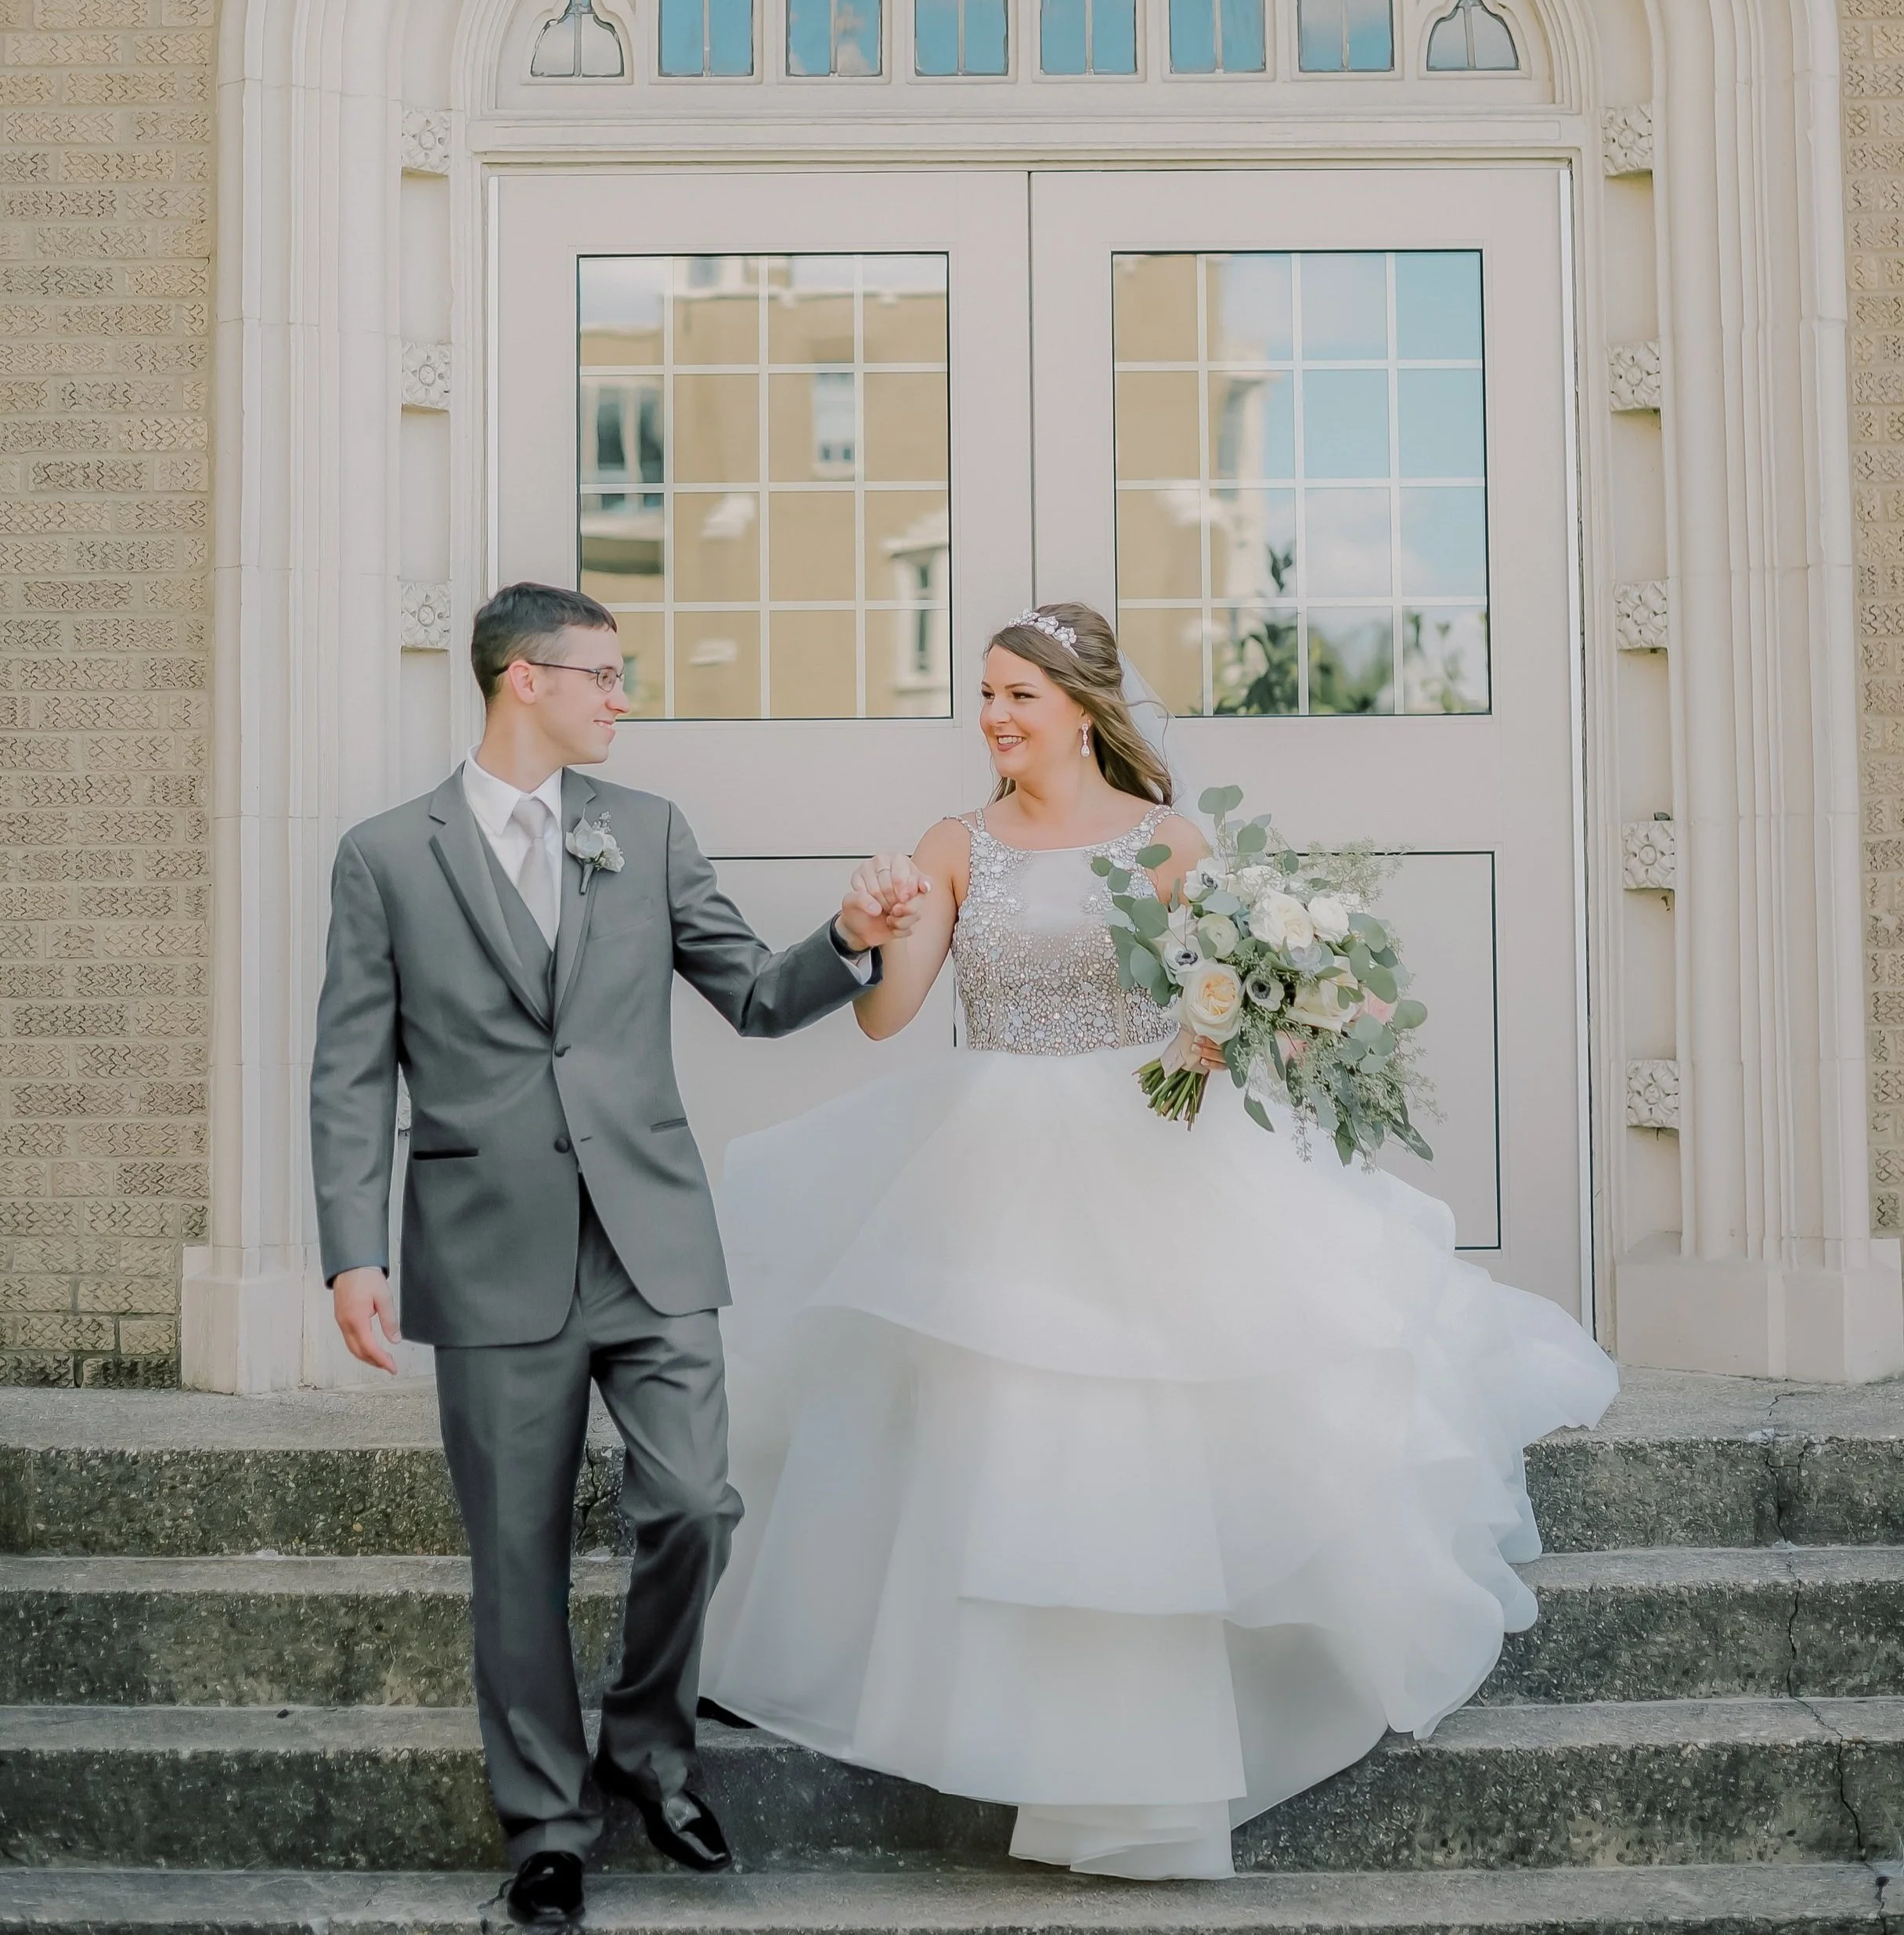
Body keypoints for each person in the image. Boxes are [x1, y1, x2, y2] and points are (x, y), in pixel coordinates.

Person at [705, 601, 1617, 1881]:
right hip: (991, 1163)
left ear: (1082, 707)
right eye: (983, 695)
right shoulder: (953, 842)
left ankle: (1148, 1767)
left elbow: (1243, 988)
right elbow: (892, 1020)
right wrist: (876, 926)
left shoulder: (1171, 841)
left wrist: (1223, 1027)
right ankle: (1042, 1740)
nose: (995, 716)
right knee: (1016, 1437)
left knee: (1147, 1437)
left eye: (1019, 694)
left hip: (1152, 1154)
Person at [308, 581, 905, 1929]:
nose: (623, 697)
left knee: (695, 1501)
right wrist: (353, 1252)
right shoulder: (385, 856)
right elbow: (350, 1071)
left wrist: (852, 942)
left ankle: (649, 1751)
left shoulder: (646, 833)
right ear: (525, 678)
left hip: (650, 1242)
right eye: (605, 675)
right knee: (514, 1554)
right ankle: (545, 1830)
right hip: (488, 1248)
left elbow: (754, 994)